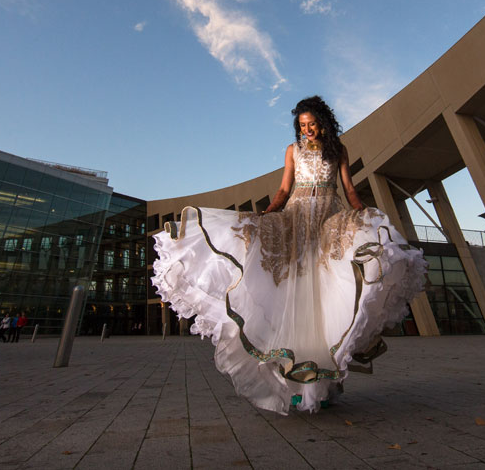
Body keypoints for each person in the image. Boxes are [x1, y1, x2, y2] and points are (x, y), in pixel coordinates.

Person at [152, 96, 427, 414]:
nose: (307, 130)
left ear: (323, 122)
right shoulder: (292, 151)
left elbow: (349, 188)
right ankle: (293, 386)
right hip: (296, 220)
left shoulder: (338, 149)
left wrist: (363, 214)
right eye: (302, 125)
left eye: (311, 124)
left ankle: (320, 387)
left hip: (326, 222)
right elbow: (284, 189)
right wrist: (268, 213)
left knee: (324, 298)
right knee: (292, 299)